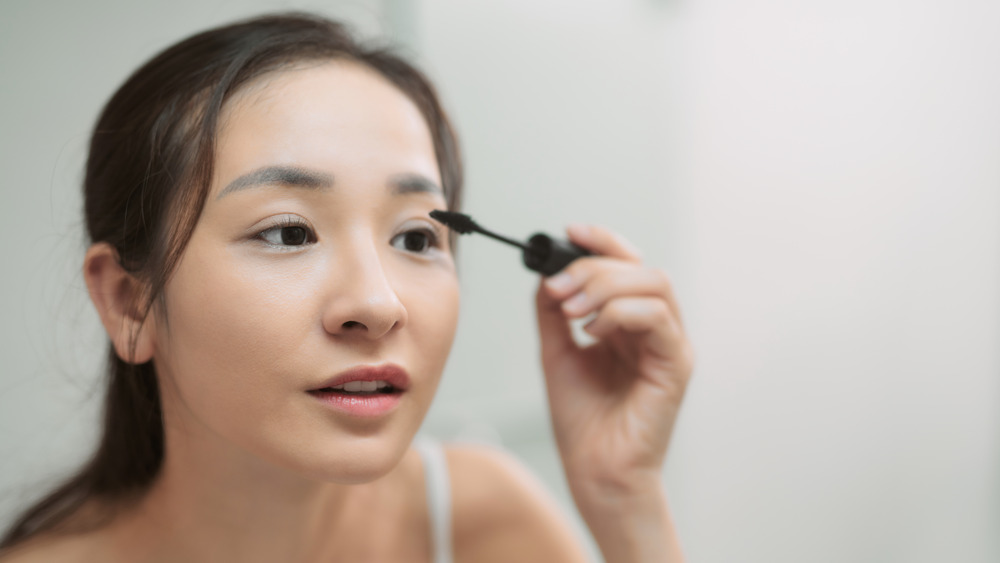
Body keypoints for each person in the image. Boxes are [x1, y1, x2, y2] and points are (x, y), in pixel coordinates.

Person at [0, 12, 693, 563]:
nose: (378, 304)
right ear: (129, 301)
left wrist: (626, 503)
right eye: (288, 232)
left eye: (417, 238)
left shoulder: (487, 519)